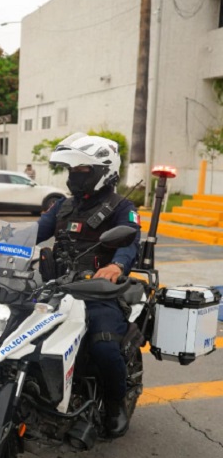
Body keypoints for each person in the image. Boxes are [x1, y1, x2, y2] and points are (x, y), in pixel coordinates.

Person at [37, 132, 141, 438]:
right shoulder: (62, 206)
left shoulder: (121, 206)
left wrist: (116, 266)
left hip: (99, 293)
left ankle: (115, 404)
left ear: (103, 171)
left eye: (82, 170)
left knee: (104, 346)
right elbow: (34, 232)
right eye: (71, 170)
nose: (74, 176)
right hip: (57, 288)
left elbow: (130, 240)